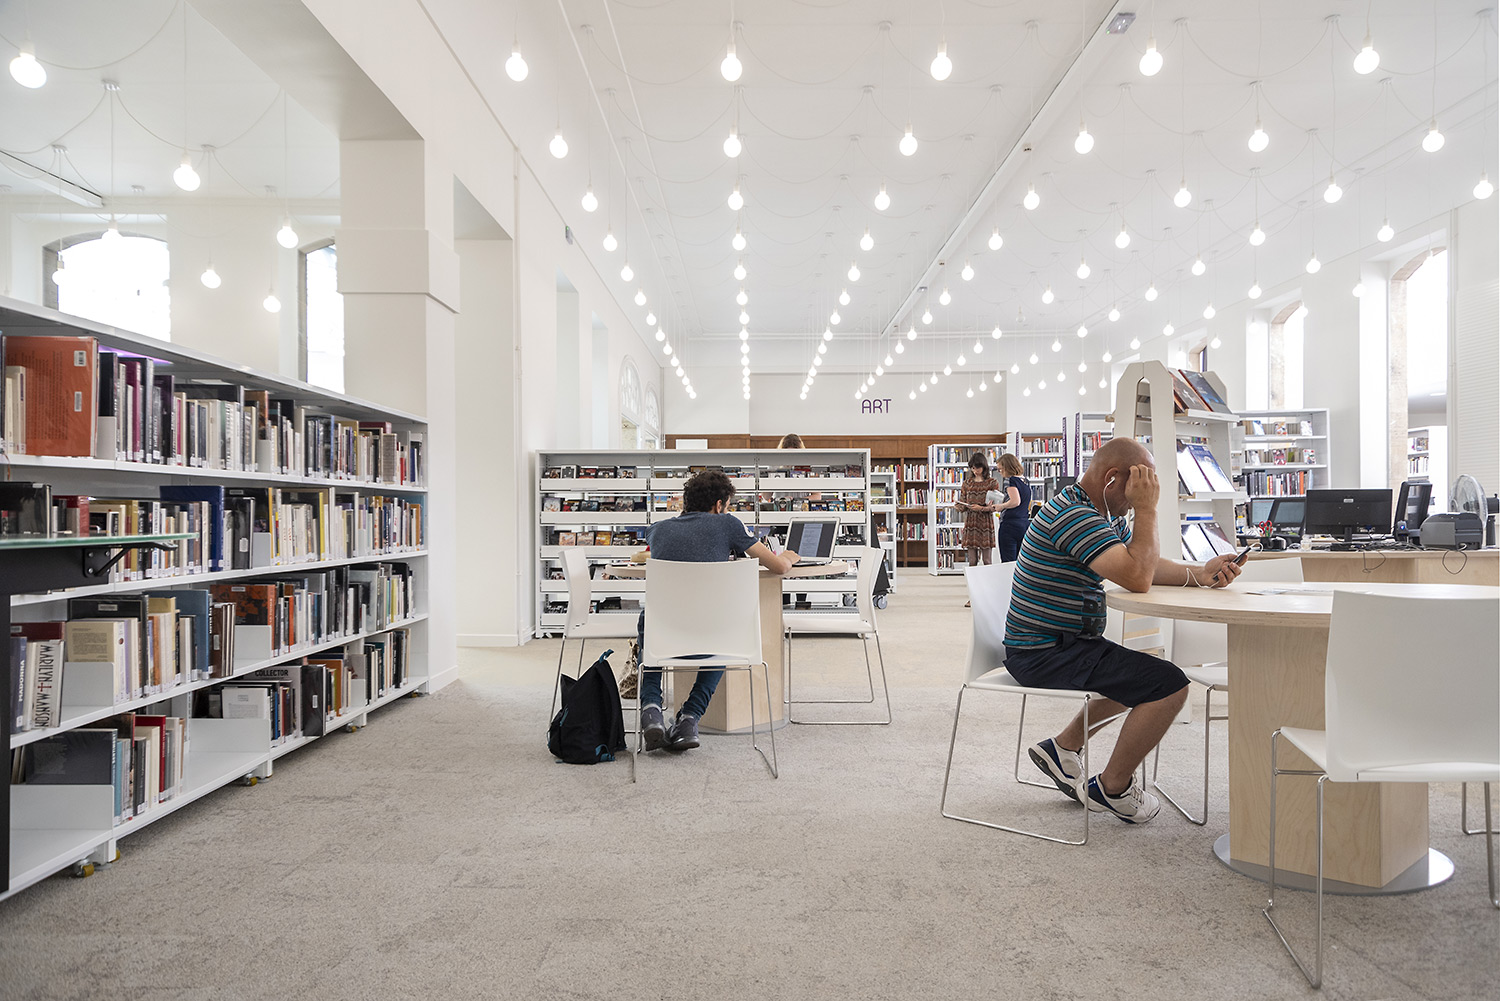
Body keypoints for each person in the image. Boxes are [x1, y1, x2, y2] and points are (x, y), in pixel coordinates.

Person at [1003, 437, 1243, 823]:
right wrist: (1147, 510)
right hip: (1044, 653)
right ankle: (1111, 788)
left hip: (1058, 644)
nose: (1135, 501)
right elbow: (1137, 576)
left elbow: (1141, 562)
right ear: (1112, 479)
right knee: (1169, 686)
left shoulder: (1096, 511)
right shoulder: (1075, 516)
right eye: (1136, 489)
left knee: (1142, 673)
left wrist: (1199, 573)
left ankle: (1061, 749)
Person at [638, 469, 799, 752]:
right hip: (711, 638)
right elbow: (779, 567)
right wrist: (788, 555)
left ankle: (651, 709)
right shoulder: (728, 524)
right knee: (726, 629)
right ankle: (690, 717)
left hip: (664, 638)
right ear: (719, 504)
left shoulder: (657, 529)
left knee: (648, 620)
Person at [953, 451, 1000, 568]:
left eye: (977, 468)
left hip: (986, 523)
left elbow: (995, 506)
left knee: (987, 560)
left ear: (984, 467)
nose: (975, 471)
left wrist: (981, 508)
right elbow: (963, 504)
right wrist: (958, 505)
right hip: (971, 522)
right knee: (972, 560)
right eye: (973, 468)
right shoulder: (967, 483)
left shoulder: (992, 483)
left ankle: (987, 580)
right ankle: (974, 580)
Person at [992, 453, 1032, 563]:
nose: (1000, 472)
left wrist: (1001, 506)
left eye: (1000, 469)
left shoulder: (1010, 480)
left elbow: (1015, 501)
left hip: (1010, 525)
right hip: (1024, 524)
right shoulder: (1026, 481)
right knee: (1021, 562)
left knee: (1008, 562)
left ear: (1007, 467)